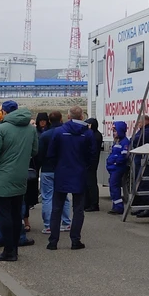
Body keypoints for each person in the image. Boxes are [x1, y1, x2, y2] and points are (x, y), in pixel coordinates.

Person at [0, 100, 38, 262]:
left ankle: (8, 251)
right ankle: (14, 248)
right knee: (16, 214)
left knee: (4, 215)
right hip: (21, 177)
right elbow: (35, 150)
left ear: (5, 113)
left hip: (1, 177)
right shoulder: (30, 129)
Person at [46, 106, 97, 250]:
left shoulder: (59, 131)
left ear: (68, 117)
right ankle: (75, 240)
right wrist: (84, 166)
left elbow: (51, 153)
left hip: (62, 173)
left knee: (56, 208)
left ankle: (53, 241)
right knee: (78, 209)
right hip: (79, 173)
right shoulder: (87, 134)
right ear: (81, 117)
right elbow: (92, 154)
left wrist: (58, 165)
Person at [38, 111, 71, 234]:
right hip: (62, 169)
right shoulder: (66, 133)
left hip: (47, 169)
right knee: (64, 197)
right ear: (61, 119)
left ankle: (48, 225)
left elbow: (40, 154)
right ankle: (66, 222)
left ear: (49, 121)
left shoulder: (45, 135)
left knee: (47, 198)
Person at [105, 121, 130, 215]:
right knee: (113, 187)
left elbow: (123, 156)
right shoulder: (117, 141)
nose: (114, 133)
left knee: (114, 187)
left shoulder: (125, 142)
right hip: (113, 168)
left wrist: (115, 163)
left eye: (115, 131)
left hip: (117, 168)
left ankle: (119, 207)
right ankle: (116, 206)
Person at [83, 118, 103, 212]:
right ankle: (87, 202)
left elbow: (92, 150)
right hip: (91, 162)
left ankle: (93, 203)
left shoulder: (95, 136)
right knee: (88, 183)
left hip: (91, 162)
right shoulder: (95, 134)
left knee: (91, 183)